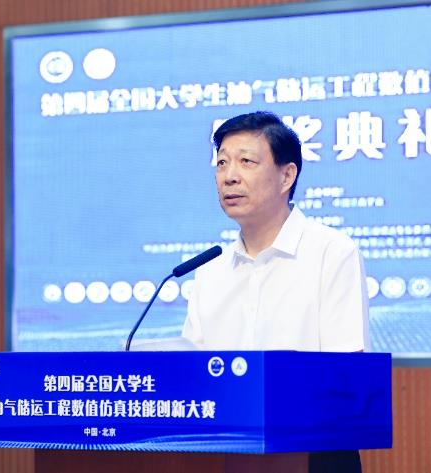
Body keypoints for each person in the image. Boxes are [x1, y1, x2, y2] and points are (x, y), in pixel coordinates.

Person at [181, 111, 369, 472]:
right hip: (227, 453)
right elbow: (194, 373)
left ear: (287, 175)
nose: (229, 176)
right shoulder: (210, 269)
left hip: (314, 453)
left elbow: (345, 373)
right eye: (221, 163)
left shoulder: (331, 252)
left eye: (246, 162)